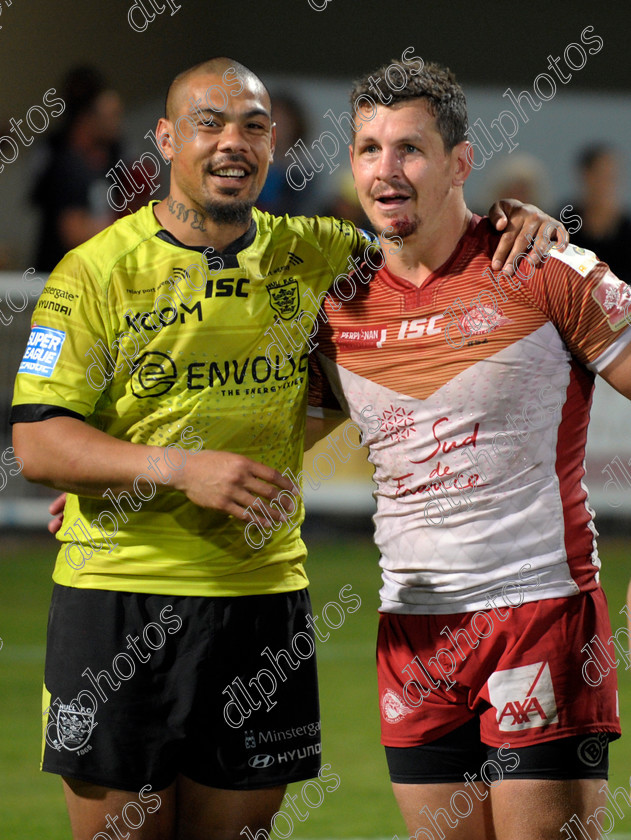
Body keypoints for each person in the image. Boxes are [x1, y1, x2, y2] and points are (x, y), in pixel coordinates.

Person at [13, 57, 562, 840]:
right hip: (116, 602)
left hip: (260, 604)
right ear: (167, 139)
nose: (232, 142)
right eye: (209, 123)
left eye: (253, 126)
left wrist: (517, 219)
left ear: (274, 144)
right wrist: (166, 468)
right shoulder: (94, 271)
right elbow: (36, 440)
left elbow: (433, 258)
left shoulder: (321, 255)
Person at [306, 60, 631, 840]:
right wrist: (121, 488)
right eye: (368, 149)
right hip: (412, 632)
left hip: (539, 617)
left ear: (459, 161)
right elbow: (267, 440)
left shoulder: (543, 270)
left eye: (409, 149)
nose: (386, 170)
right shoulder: (337, 307)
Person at [31, 66, 125, 271]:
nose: (118, 124)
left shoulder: (111, 159)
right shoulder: (65, 163)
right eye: (112, 116)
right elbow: (73, 232)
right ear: (88, 117)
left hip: (94, 274)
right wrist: (132, 233)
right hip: (63, 278)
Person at [560, 144, 631, 285]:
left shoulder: (627, 231)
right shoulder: (563, 225)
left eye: (611, 177)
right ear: (585, 177)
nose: (605, 185)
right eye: (599, 176)